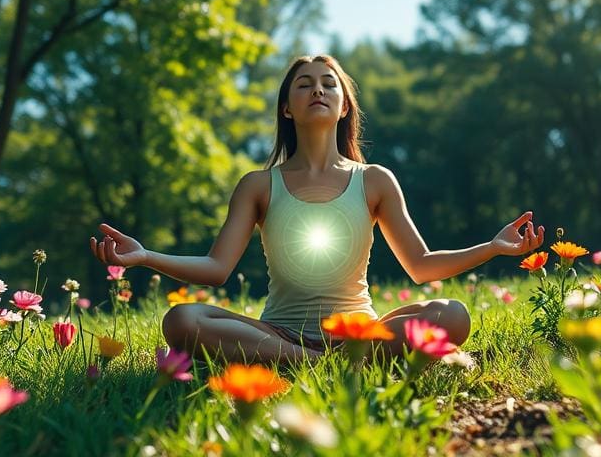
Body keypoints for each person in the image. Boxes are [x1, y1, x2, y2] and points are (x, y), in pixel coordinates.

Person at [90, 54, 544, 368]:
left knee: (453, 314)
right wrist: (145, 256)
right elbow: (215, 268)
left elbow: (422, 267)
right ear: (287, 108)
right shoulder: (258, 185)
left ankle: (340, 358)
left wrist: (492, 247)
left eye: (330, 84)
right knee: (182, 320)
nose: (318, 90)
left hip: (361, 331)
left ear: (345, 104)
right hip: (279, 336)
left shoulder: (375, 180)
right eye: (304, 84)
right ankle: (318, 364)